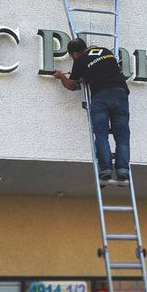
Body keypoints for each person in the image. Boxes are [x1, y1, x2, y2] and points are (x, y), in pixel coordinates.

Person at [54, 38, 131, 185]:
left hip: (101, 97)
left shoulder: (80, 61)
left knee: (101, 134)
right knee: (122, 136)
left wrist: (61, 76)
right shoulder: (106, 52)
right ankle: (122, 170)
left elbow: (71, 85)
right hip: (120, 94)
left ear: (75, 54)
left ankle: (106, 170)